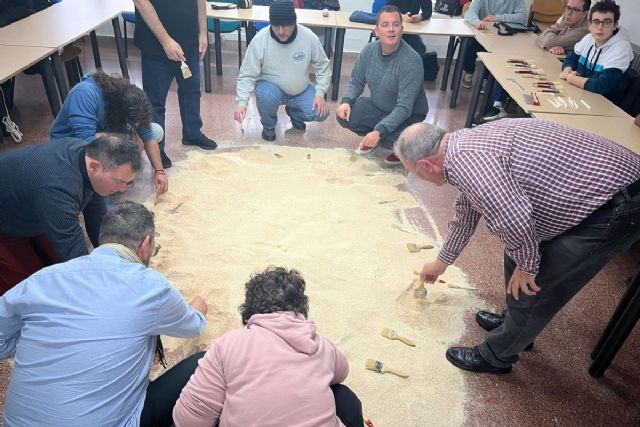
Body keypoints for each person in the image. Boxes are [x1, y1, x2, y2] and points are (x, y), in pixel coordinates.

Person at [394, 119, 640, 374]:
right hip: (602, 185)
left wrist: (528, 266)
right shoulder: (460, 148)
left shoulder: (470, 164)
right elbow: (466, 214)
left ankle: (496, 355)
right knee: (519, 252)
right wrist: (441, 262)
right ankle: (515, 325)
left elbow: (515, 219)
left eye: (412, 171)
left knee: (539, 281)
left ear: (426, 164)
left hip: (620, 201)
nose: (416, 176)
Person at [0, 202, 208, 426]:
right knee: (205, 362)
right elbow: (192, 326)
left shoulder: (44, 278)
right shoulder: (150, 286)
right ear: (145, 245)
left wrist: (49, 337)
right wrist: (198, 308)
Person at [173, 266, 363, 427]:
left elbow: (188, 421)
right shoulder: (321, 346)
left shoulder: (229, 344)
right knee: (344, 397)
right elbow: (343, 371)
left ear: (249, 311)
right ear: (301, 310)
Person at [0, 134, 140, 294]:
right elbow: (76, 257)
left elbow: (99, 223)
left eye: (126, 183)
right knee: (27, 287)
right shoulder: (57, 188)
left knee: (55, 266)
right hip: (6, 220)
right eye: (119, 181)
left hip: (31, 205)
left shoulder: (87, 156)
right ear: (94, 167)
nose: (122, 189)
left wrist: (118, 264)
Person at [335, 5, 427, 166]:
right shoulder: (369, 51)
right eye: (385, 25)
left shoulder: (411, 61)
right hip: (380, 107)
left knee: (397, 139)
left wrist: (379, 131)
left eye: (396, 24)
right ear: (376, 31)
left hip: (409, 115)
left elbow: (404, 108)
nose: (391, 29)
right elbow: (356, 82)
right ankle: (377, 137)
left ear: (402, 29)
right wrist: (346, 101)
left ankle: (400, 150)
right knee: (346, 116)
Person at [50, 71, 169, 195]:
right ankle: (110, 177)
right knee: (132, 140)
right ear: (118, 110)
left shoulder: (130, 97)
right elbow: (86, 142)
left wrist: (159, 172)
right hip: (70, 144)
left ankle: (118, 174)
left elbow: (148, 135)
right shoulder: (84, 94)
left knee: (156, 131)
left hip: (103, 134)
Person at [134, 0, 217, 169]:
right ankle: (158, 149)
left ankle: (192, 134)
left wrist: (202, 32)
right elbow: (141, 3)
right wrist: (166, 41)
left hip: (189, 41)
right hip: (155, 45)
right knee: (155, 102)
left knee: (191, 92)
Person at [233, 1, 331, 142]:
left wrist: (320, 93)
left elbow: (323, 65)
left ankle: (295, 114)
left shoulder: (309, 37)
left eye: (285, 27)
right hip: (271, 88)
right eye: (275, 27)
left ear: (294, 23)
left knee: (321, 112)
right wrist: (242, 103)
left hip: (300, 90)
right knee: (265, 95)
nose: (280, 32)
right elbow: (247, 75)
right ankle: (269, 126)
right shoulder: (260, 40)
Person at [482, 0, 591, 121]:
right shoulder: (567, 23)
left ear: (585, 13)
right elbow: (539, 39)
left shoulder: (583, 32)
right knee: (507, 63)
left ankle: (499, 106)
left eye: (575, 10)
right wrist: (552, 38)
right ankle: (497, 105)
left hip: (558, 73)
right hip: (547, 62)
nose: (568, 13)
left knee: (517, 70)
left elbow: (547, 42)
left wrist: (553, 32)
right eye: (567, 8)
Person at [560, 0, 633, 104]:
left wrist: (570, 78)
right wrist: (567, 69)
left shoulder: (622, 48)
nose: (600, 27)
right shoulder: (588, 38)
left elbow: (602, 86)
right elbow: (571, 58)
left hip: (605, 105)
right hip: (581, 95)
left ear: (615, 25)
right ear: (590, 25)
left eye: (607, 22)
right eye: (596, 22)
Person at [462, 0, 528, 89]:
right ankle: (469, 71)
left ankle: (485, 79)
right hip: (483, 32)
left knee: (496, 51)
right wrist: (476, 22)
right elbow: (470, 12)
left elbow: (522, 17)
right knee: (469, 43)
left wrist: (497, 17)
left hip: (504, 36)